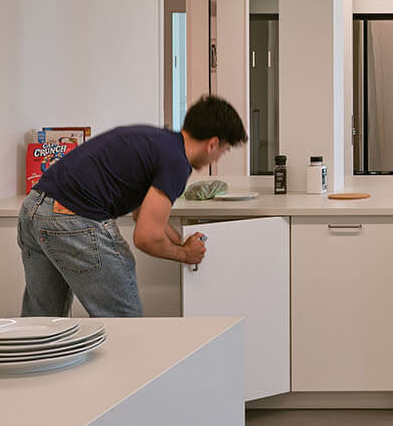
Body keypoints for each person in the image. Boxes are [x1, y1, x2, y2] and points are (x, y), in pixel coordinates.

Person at [18, 95, 248, 318]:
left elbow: (143, 215)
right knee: (123, 320)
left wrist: (180, 241)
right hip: (72, 217)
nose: (218, 158)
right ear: (213, 144)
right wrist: (185, 254)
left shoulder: (158, 142)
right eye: (224, 151)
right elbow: (146, 237)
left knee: (42, 323)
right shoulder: (176, 163)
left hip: (34, 209)